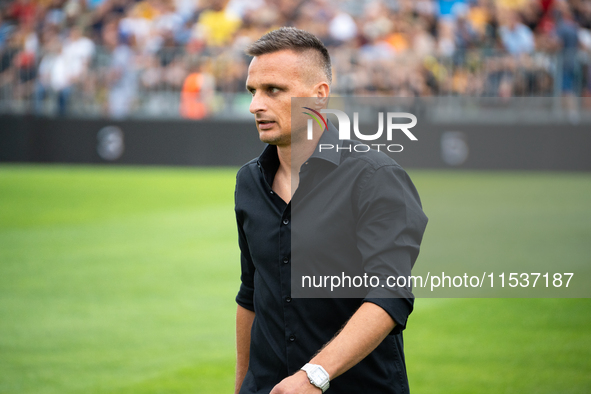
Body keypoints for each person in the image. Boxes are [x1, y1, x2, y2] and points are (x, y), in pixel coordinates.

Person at [234, 27, 427, 394]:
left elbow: (390, 294)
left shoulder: (374, 177)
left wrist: (314, 375)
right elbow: (251, 293)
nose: (255, 105)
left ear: (319, 97)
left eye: (273, 90)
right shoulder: (249, 181)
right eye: (253, 91)